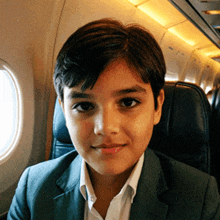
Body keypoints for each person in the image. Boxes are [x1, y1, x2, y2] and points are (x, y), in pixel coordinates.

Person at [7, 18, 220, 220]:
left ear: (157, 107)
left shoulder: (199, 197)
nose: (106, 128)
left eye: (128, 103)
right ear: (64, 110)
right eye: (84, 106)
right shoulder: (34, 188)